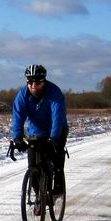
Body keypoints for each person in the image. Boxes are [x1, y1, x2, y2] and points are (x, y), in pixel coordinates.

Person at [12, 64, 69, 195]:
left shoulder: (54, 93)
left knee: (56, 158)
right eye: (30, 82)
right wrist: (18, 138)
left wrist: (53, 140)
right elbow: (18, 117)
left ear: (43, 81)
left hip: (57, 129)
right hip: (36, 132)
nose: (33, 85)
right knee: (32, 167)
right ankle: (39, 196)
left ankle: (58, 189)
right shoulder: (23, 95)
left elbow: (57, 117)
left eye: (37, 82)